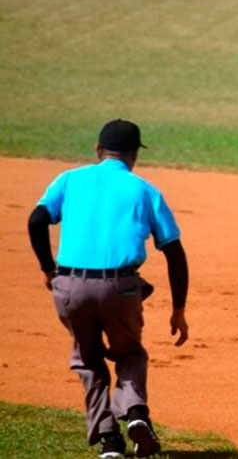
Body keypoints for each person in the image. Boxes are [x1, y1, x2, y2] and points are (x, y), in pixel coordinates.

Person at [27, 119, 190, 458]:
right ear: (133, 156)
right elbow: (174, 251)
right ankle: (134, 414)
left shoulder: (69, 180)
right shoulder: (143, 189)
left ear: (98, 150)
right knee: (129, 353)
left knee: (88, 360)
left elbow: (36, 220)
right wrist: (179, 310)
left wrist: (47, 268)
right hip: (121, 288)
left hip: (70, 287)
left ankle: (108, 441)